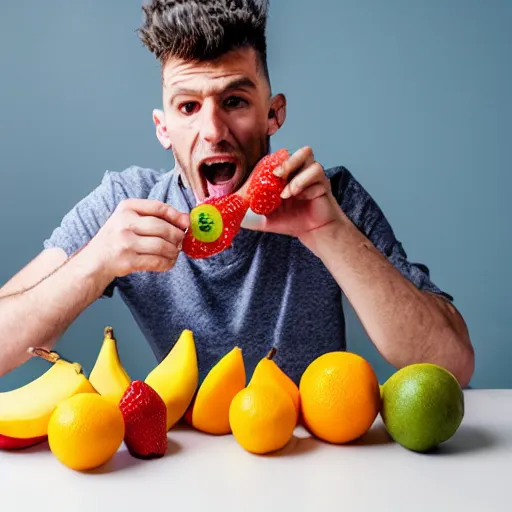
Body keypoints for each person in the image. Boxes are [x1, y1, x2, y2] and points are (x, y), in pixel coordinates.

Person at [0, 0, 474, 387]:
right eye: (188, 106)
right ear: (163, 128)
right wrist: (95, 261)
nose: (213, 131)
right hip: (185, 467)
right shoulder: (125, 206)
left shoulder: (331, 199)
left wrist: (331, 234)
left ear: (273, 114)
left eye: (235, 102)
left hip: (309, 457)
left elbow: (454, 364)